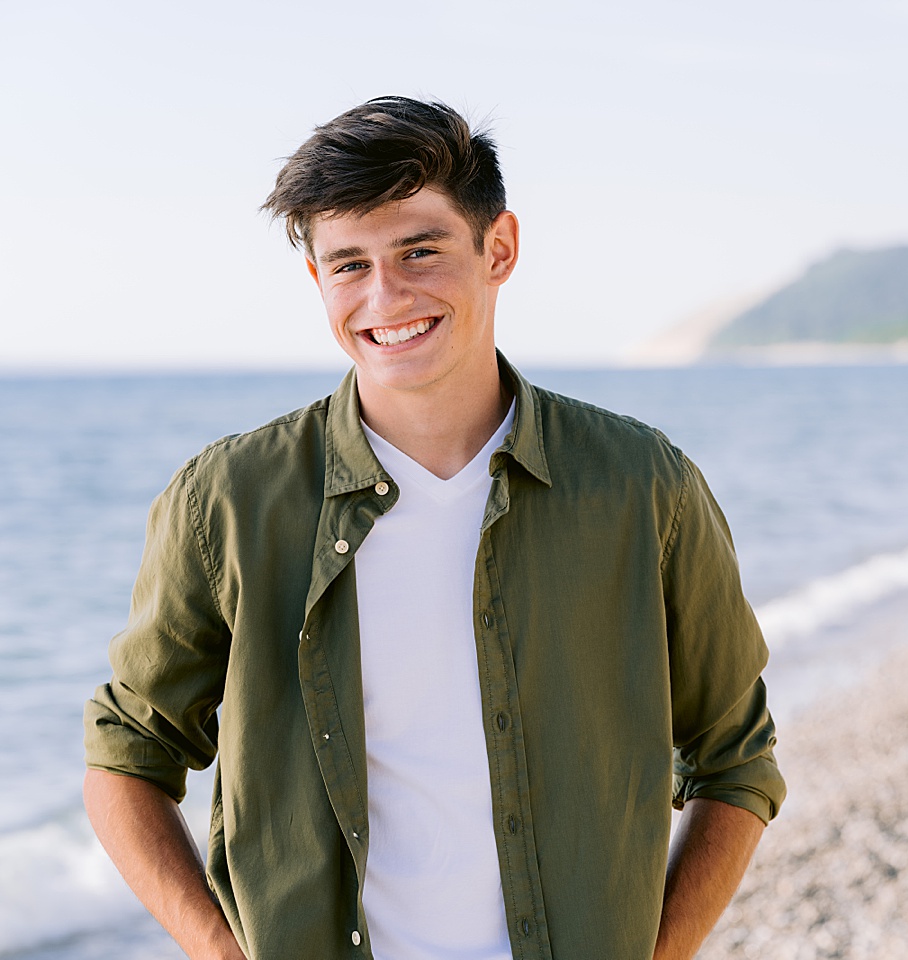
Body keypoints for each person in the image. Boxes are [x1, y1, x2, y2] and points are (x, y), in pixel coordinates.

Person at [83, 96, 785, 960]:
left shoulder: (644, 487)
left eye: (419, 250)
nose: (385, 296)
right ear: (317, 282)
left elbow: (736, 760)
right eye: (349, 265)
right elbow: (126, 754)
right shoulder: (227, 501)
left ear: (499, 249)